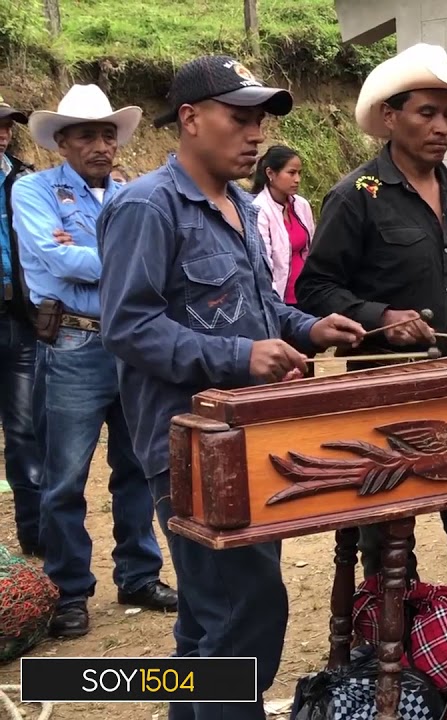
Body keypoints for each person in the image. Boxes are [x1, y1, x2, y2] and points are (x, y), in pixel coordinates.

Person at [97, 54, 365, 718]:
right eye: (240, 119)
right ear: (190, 119)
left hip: (246, 437)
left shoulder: (239, 206)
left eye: (261, 122)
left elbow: (263, 305)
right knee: (246, 617)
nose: (255, 135)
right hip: (186, 446)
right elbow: (128, 329)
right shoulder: (147, 206)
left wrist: (310, 328)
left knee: (207, 621)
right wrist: (242, 356)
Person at [293, 43, 447, 652]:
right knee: (385, 530)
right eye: (427, 113)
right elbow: (314, 287)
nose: (442, 127)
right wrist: (380, 315)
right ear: (389, 117)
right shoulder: (356, 195)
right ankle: (387, 651)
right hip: (385, 387)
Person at [12, 84, 175, 637]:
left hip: (132, 343)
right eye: (86, 135)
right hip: (74, 344)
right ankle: (69, 590)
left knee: (138, 465)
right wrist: (132, 255)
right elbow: (56, 258)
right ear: (62, 142)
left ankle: (139, 574)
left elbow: (145, 256)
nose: (101, 145)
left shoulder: (130, 192)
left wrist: (103, 254)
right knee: (64, 478)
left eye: (108, 134)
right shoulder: (32, 191)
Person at [0, 95, 42, 559]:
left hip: (17, 317)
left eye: (8, 123)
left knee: (25, 430)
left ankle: (35, 534)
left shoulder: (24, 180)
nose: (4, 131)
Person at [250, 145, 314, 303]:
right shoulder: (259, 210)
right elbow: (263, 263)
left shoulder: (301, 205)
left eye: (299, 173)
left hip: (309, 291)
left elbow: (313, 248)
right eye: (291, 173)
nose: (297, 179)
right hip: (282, 299)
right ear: (270, 173)